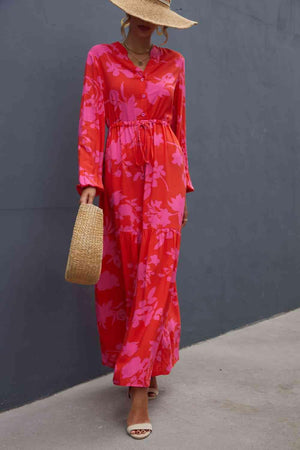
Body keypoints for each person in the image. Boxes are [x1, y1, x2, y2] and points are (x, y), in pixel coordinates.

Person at [76, 0, 198, 440]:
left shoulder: (176, 64)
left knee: (158, 273)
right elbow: (92, 119)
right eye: (142, 12)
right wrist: (89, 180)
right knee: (129, 271)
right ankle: (148, 364)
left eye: (156, 15)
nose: (148, 21)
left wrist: (185, 185)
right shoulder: (100, 57)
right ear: (129, 14)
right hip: (121, 172)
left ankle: (138, 388)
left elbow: (179, 126)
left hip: (166, 172)